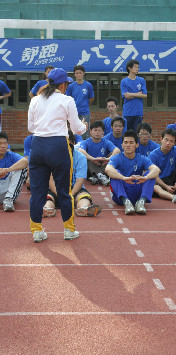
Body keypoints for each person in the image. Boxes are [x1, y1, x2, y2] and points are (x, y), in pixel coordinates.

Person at [28, 67, 87, 243]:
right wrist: (84, 126)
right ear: (63, 84)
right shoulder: (67, 100)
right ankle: (69, 230)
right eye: (66, 83)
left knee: (37, 192)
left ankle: (37, 231)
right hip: (58, 146)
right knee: (64, 191)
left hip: (37, 146)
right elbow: (76, 129)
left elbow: (31, 128)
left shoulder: (36, 100)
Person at [43, 130, 102, 217]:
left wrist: (70, 195)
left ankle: (84, 209)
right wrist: (59, 194)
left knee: (84, 198)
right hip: (56, 188)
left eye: (69, 145)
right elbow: (51, 179)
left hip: (75, 188)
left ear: (73, 143)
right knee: (48, 199)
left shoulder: (81, 157)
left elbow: (80, 180)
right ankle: (46, 210)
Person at [105, 130, 160, 215]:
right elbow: (108, 169)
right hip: (121, 194)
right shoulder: (116, 158)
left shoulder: (142, 158)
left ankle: (141, 202)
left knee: (150, 174)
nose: (128, 145)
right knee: (114, 172)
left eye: (131, 142)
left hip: (136, 191)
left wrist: (145, 178)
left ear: (137, 145)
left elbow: (156, 170)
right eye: (125, 142)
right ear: (122, 145)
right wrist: (123, 178)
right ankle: (126, 202)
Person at [148, 129, 176, 203]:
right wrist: (166, 186)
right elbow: (153, 175)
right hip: (160, 182)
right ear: (161, 139)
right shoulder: (153, 155)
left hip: (174, 181)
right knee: (153, 183)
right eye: (166, 140)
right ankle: (174, 197)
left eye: (171, 141)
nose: (168, 143)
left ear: (174, 143)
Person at [77, 120, 120, 186]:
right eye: (95, 130)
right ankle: (99, 176)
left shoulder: (106, 142)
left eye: (99, 131)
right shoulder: (86, 142)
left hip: (102, 165)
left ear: (103, 132)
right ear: (90, 131)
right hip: (90, 167)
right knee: (86, 159)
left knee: (112, 156)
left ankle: (96, 177)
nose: (97, 132)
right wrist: (93, 159)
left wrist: (107, 159)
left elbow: (117, 150)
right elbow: (80, 150)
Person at [0, 132, 28, 212]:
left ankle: (8, 200)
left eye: (5, 143)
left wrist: (7, 170)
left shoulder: (11, 155)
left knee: (21, 168)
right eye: (0, 143)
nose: (3, 146)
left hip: (8, 192)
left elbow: (25, 161)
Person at [66, 65, 94, 139]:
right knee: (73, 132)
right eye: (77, 73)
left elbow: (91, 98)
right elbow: (67, 99)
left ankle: (83, 149)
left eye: (80, 73)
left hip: (85, 113)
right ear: (74, 74)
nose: (78, 75)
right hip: (73, 113)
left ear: (83, 73)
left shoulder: (88, 85)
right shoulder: (71, 86)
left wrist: (86, 105)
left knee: (84, 133)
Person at [120, 59, 147, 132]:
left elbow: (144, 95)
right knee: (127, 133)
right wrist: (138, 94)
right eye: (135, 67)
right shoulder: (124, 81)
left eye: (138, 67)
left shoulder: (141, 80)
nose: (137, 69)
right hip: (128, 112)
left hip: (138, 112)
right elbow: (126, 96)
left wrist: (131, 94)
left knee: (137, 134)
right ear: (129, 68)